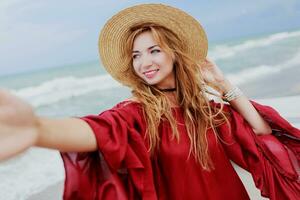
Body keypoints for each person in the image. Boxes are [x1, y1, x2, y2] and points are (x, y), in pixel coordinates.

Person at [0, 3, 299, 200]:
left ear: (174, 53)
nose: (144, 62)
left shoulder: (207, 111)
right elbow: (98, 131)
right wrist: (38, 129)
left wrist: (223, 85)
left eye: (154, 50)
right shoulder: (136, 114)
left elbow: (261, 133)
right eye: (136, 55)